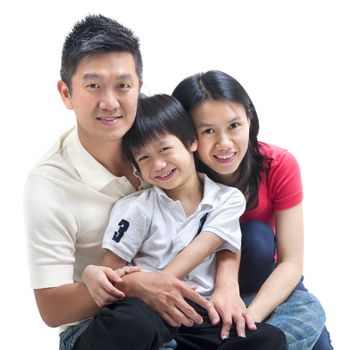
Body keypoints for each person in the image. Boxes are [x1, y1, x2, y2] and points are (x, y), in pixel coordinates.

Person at [24, 15, 213, 350]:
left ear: (140, 87)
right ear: (66, 93)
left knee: (270, 334)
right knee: (136, 323)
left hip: (177, 307)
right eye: (93, 85)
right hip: (101, 327)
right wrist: (132, 285)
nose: (110, 102)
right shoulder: (50, 185)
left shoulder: (161, 146)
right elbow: (52, 309)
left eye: (123, 86)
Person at [82, 93, 288, 350]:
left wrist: (164, 281)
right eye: (143, 158)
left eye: (164, 149)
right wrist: (107, 278)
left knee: (269, 339)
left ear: (191, 142)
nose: (158, 164)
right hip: (146, 307)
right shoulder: (135, 208)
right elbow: (111, 272)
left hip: (197, 314)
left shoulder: (227, 199)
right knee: (132, 322)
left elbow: (203, 247)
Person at [172, 70, 332, 349]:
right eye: (208, 130)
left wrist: (248, 322)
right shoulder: (174, 175)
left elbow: (291, 262)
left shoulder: (278, 164)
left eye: (234, 125)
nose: (225, 144)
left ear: (249, 119)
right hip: (202, 286)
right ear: (188, 136)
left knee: (257, 239)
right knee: (255, 235)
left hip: (263, 281)